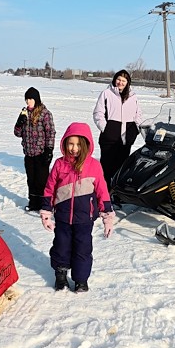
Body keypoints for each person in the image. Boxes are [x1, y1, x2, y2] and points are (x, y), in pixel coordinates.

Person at [40, 122, 116, 293]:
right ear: (65, 143)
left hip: (84, 219)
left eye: (78, 144)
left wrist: (107, 217)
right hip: (63, 217)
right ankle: (60, 275)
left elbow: (102, 192)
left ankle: (81, 280)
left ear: (85, 145)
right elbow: (49, 189)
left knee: (83, 249)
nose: (74, 148)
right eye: (70, 143)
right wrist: (46, 213)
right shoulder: (60, 164)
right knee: (61, 246)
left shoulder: (94, 166)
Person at [92, 69, 144, 185]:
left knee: (121, 167)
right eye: (118, 79)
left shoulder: (133, 96)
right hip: (109, 138)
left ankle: (118, 191)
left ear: (127, 82)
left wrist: (135, 129)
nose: (120, 82)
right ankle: (105, 191)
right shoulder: (106, 93)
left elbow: (138, 114)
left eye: (123, 80)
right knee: (106, 167)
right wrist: (105, 128)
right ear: (115, 80)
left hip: (126, 139)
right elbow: (98, 113)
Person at [13, 87, 55, 212]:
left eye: (30, 99)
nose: (28, 102)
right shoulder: (24, 113)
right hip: (29, 153)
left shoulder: (45, 113)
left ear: (36, 99)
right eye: (26, 99)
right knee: (31, 180)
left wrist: (49, 150)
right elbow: (17, 133)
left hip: (41, 153)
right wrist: (19, 123)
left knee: (42, 181)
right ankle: (33, 203)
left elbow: (50, 132)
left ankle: (45, 204)